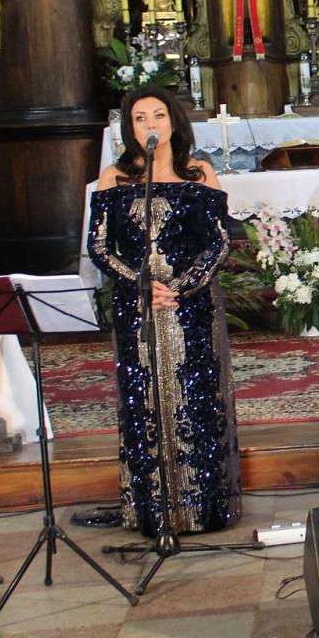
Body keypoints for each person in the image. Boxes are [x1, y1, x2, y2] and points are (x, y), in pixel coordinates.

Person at [87, 87, 242, 536]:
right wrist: (140, 284)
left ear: (173, 122)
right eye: (140, 118)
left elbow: (219, 242)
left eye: (158, 115)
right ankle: (152, 508)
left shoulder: (199, 172)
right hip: (136, 305)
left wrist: (180, 288)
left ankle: (201, 506)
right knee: (144, 400)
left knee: (196, 397)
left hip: (191, 306)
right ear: (130, 129)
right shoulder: (114, 177)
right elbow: (99, 247)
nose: (150, 124)